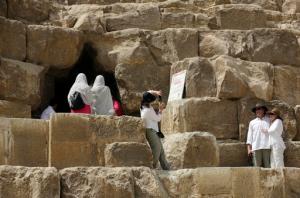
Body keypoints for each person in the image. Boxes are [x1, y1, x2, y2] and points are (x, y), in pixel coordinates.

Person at [140, 90, 170, 170]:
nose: (154, 101)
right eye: (153, 100)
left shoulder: (144, 105)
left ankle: (166, 167)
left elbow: (147, 92)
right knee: (157, 149)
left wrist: (156, 92)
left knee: (161, 150)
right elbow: (158, 118)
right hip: (150, 131)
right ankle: (152, 166)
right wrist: (160, 110)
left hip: (153, 130)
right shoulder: (148, 111)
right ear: (149, 101)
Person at [246, 103, 271, 168]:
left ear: (264, 110)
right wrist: (249, 149)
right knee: (257, 167)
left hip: (267, 146)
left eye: (259, 109)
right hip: (256, 147)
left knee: (268, 166)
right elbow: (250, 136)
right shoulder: (252, 122)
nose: (258, 111)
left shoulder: (269, 120)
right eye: (256, 109)